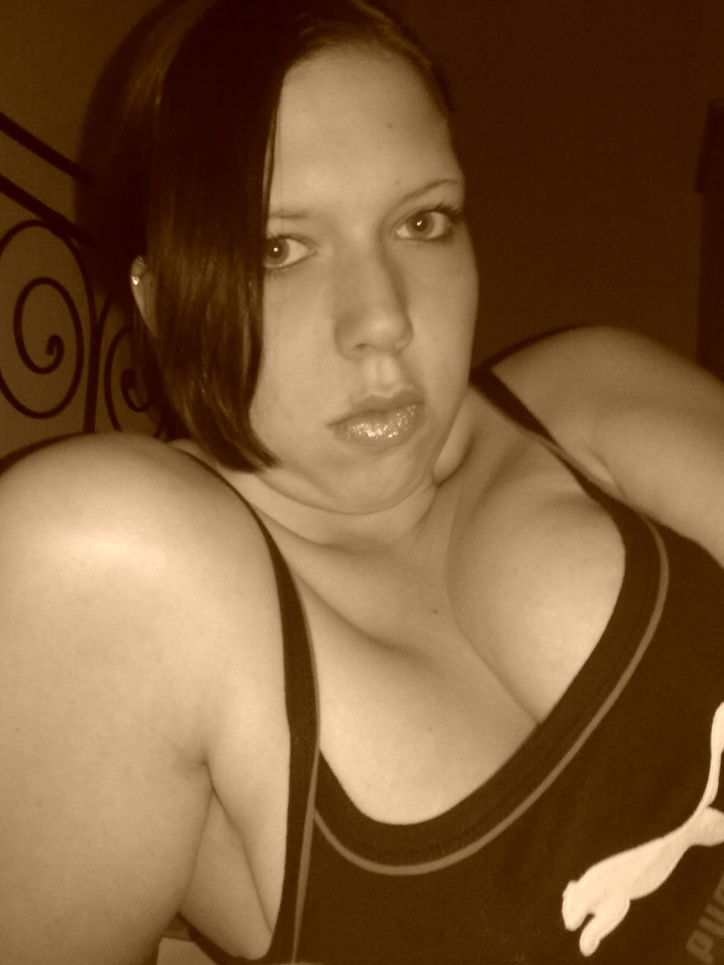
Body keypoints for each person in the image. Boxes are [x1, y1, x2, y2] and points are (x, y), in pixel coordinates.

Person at [3, 1, 724, 963]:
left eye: (423, 221)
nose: (382, 319)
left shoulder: (585, 390)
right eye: (278, 248)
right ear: (162, 301)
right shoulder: (116, 559)